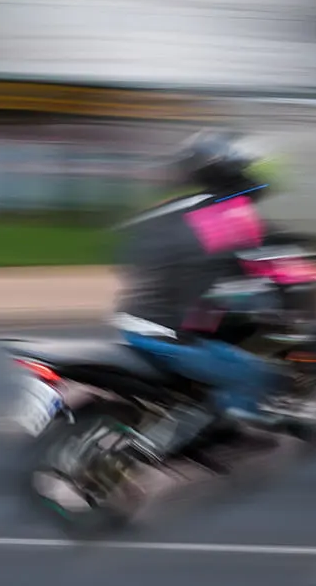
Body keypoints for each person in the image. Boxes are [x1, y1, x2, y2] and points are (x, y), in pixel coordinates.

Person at [115, 130, 290, 425]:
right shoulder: (230, 216)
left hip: (134, 318)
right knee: (257, 376)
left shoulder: (180, 208)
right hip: (169, 331)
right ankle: (226, 428)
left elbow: (129, 259)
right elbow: (252, 269)